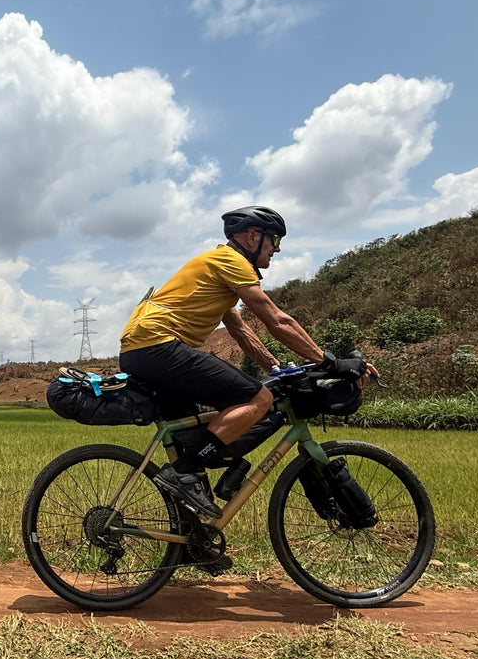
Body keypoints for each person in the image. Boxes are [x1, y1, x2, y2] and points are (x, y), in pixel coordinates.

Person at [119, 205, 372, 519]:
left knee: (194, 440)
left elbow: (240, 330)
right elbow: (275, 320)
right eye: (274, 240)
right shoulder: (232, 261)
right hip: (158, 345)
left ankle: (191, 538)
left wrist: (275, 367)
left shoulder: (215, 269)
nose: (277, 249)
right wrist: (330, 362)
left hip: (141, 350)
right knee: (257, 398)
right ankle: (181, 472)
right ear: (253, 237)